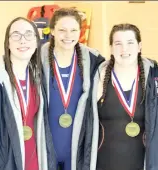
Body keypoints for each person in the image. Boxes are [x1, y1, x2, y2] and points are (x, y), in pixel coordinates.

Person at [0, 17, 55, 170]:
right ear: (7, 43)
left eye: (28, 34)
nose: (23, 40)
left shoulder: (39, 76)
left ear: (36, 41)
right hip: (6, 164)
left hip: (36, 163)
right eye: (16, 35)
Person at [84, 23, 158, 170]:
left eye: (130, 43)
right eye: (118, 44)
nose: (124, 49)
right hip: (104, 163)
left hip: (143, 163)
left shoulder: (155, 78)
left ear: (139, 46)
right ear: (110, 47)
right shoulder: (97, 78)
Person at [41, 8, 105, 170]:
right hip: (45, 148)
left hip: (78, 150)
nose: (68, 35)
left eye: (73, 30)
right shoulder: (36, 59)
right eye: (62, 30)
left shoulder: (93, 60)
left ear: (80, 32)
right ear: (53, 30)